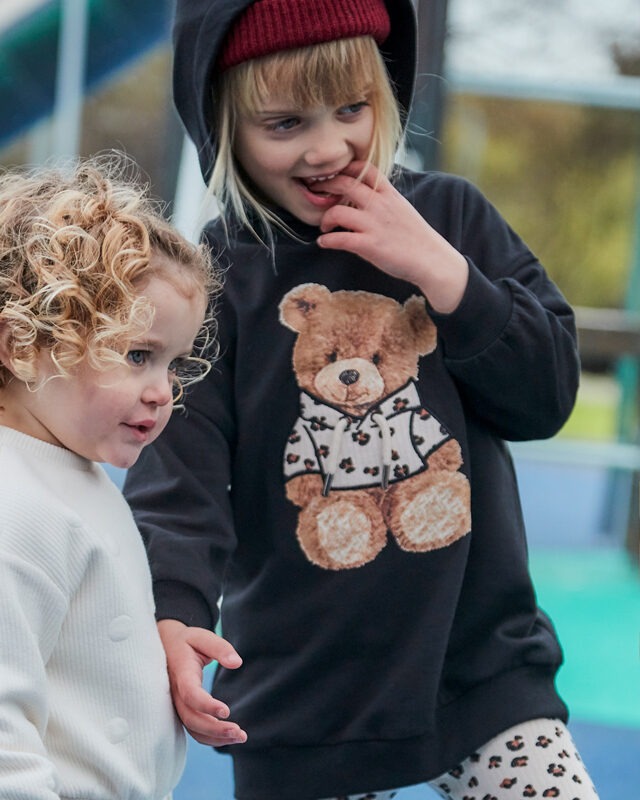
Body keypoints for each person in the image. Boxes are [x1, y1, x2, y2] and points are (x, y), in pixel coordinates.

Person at [123, 2, 600, 799]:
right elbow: (180, 478)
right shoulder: (215, 279)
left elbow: (545, 398)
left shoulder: (452, 219)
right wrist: (171, 609)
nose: (328, 146)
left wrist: (443, 273)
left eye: (352, 108)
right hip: (302, 695)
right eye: (285, 123)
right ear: (223, 125)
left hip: (480, 671)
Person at [0, 154, 225, 800]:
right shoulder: (15, 506)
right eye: (136, 355)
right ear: (21, 345)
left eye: (174, 364)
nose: (162, 392)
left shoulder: (69, 474)